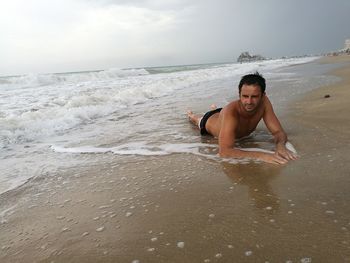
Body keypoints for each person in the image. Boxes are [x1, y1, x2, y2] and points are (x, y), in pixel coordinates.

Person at [187, 72, 297, 164]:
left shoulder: (264, 103)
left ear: (263, 95)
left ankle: (214, 108)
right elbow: (225, 152)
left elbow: (278, 132)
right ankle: (192, 114)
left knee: (220, 111)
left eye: (254, 97)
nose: (249, 102)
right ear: (239, 94)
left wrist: (280, 146)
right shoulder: (231, 112)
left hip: (223, 114)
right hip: (209, 121)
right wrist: (262, 156)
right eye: (245, 96)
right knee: (197, 119)